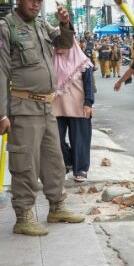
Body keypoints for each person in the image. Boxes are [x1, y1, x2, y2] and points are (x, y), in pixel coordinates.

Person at [0, 0, 85, 236]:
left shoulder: (42, 24)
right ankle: (24, 216)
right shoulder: (4, 28)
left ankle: (57, 206)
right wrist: (2, 113)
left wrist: (65, 23)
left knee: (54, 160)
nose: (36, 3)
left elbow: (64, 44)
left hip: (46, 106)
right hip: (22, 107)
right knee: (25, 164)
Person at [52, 42, 94, 183]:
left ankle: (81, 168)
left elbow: (89, 83)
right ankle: (67, 161)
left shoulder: (82, 61)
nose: (58, 45)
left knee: (80, 139)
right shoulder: (51, 59)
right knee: (55, 139)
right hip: (57, 106)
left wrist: (88, 102)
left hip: (78, 106)